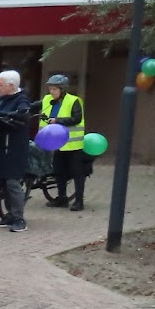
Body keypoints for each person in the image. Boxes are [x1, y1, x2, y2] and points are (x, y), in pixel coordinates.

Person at [0, 70, 33, 233]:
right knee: (2, 180)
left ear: (11, 86)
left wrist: (1, 114)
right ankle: (10, 215)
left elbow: (22, 115)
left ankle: (19, 218)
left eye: (0, 85)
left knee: (12, 181)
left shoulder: (22, 99)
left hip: (14, 146)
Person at [41, 74, 89, 211]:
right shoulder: (48, 100)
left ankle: (79, 201)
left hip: (73, 145)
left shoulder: (74, 101)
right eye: (50, 89)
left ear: (63, 89)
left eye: (54, 89)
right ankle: (62, 198)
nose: (51, 92)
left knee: (77, 173)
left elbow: (77, 119)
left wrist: (58, 120)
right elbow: (36, 107)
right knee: (59, 172)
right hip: (57, 144)